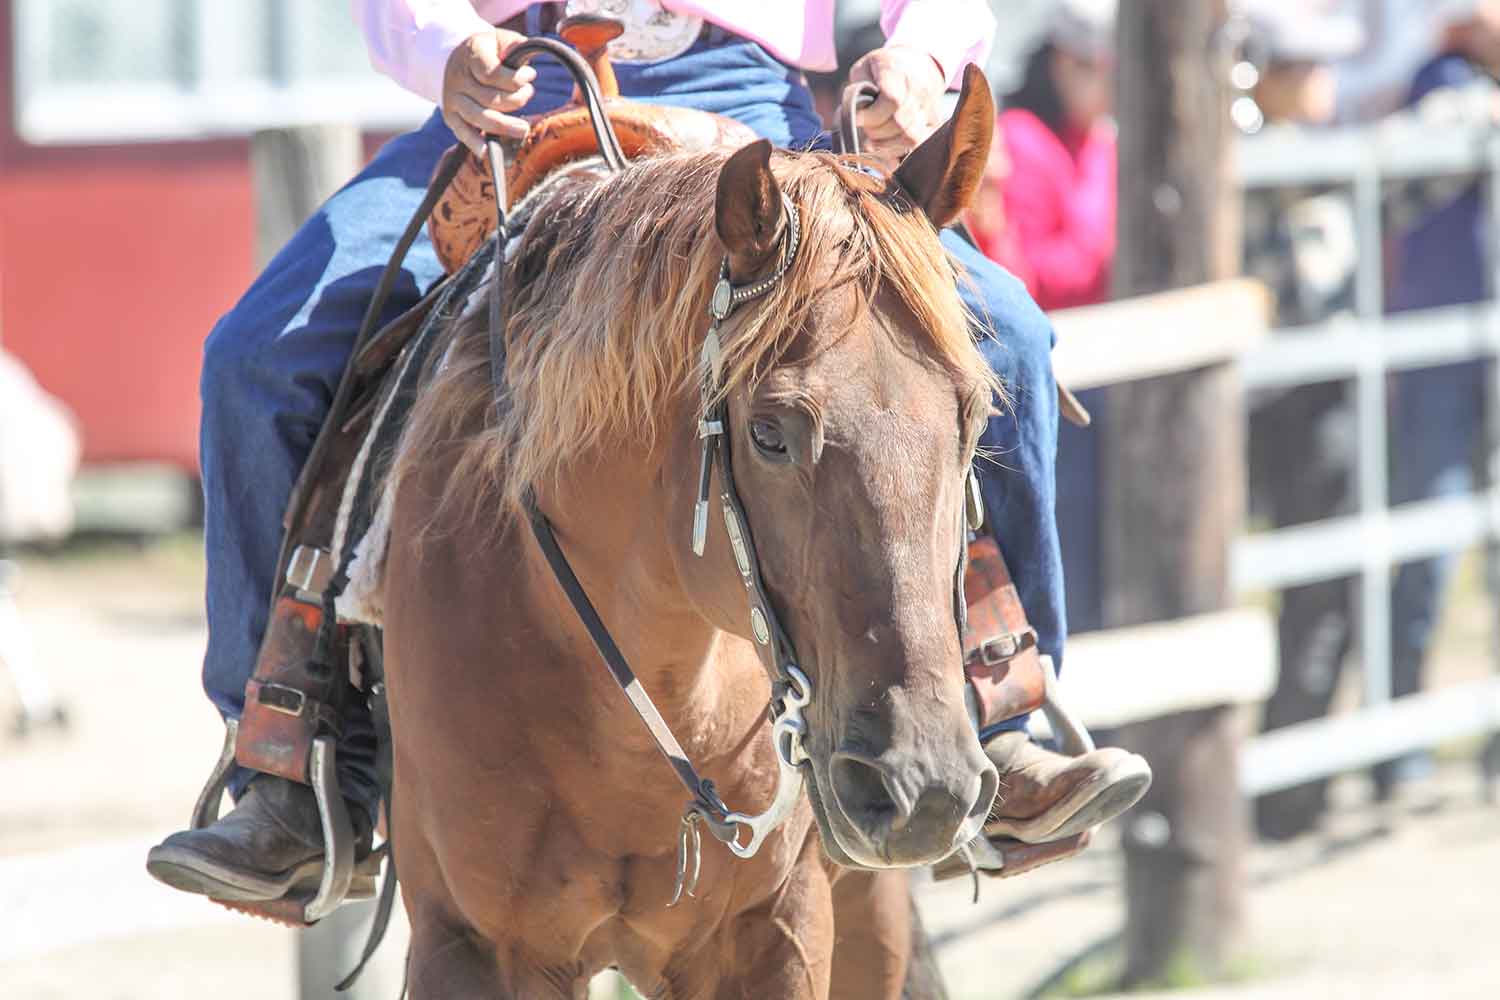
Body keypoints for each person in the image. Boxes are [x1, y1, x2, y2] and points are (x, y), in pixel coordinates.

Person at [146, 0, 1149, 904]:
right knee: (257, 362)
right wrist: (444, 46)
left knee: (1007, 333)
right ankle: (290, 761)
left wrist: (920, 58)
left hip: (752, 95)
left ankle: (1002, 716)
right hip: (518, 95)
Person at [1239, 1, 1369, 840]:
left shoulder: (1292, 156)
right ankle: (1282, 787)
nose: (1324, 82)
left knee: (1325, 585)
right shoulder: (1273, 157)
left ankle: (1294, 776)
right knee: (1315, 583)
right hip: (1285, 400)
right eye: (1307, 68)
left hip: (1301, 395)